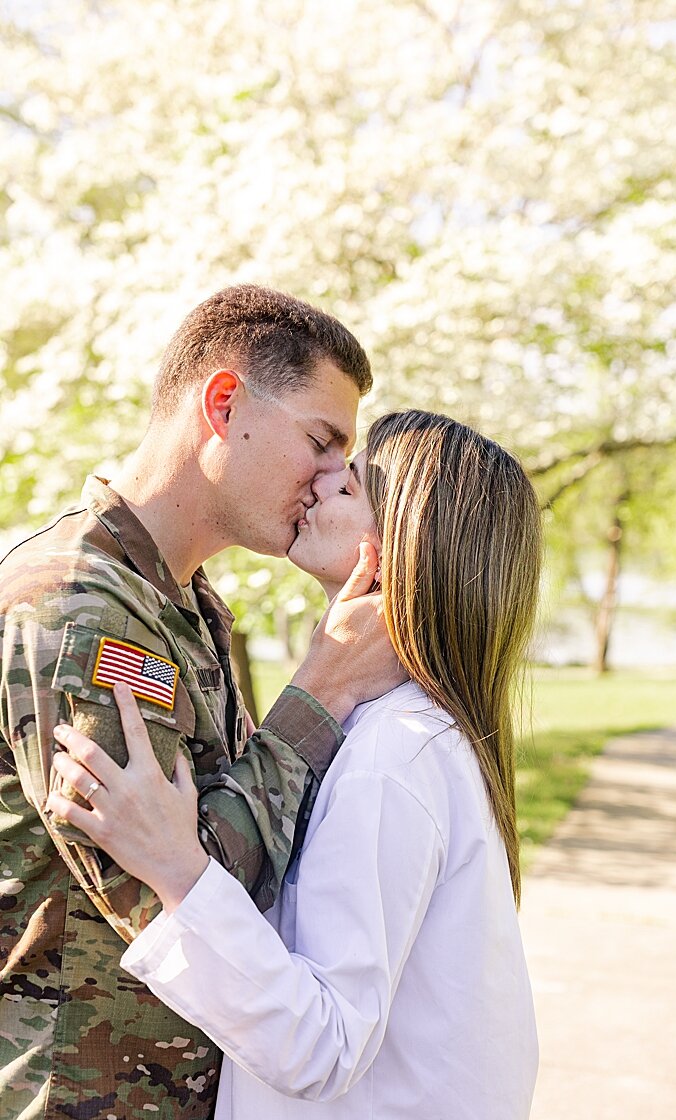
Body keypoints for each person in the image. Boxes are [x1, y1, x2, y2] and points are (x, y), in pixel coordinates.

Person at [48, 410, 542, 1119]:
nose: (318, 482)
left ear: (405, 548)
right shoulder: (388, 732)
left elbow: (324, 1045)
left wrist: (176, 869)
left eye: (352, 486)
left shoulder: (394, 754)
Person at [0, 285, 406, 1118]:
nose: (335, 480)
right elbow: (182, 901)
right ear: (224, 403)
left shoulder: (183, 601)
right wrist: (322, 689)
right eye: (322, 442)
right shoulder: (78, 608)